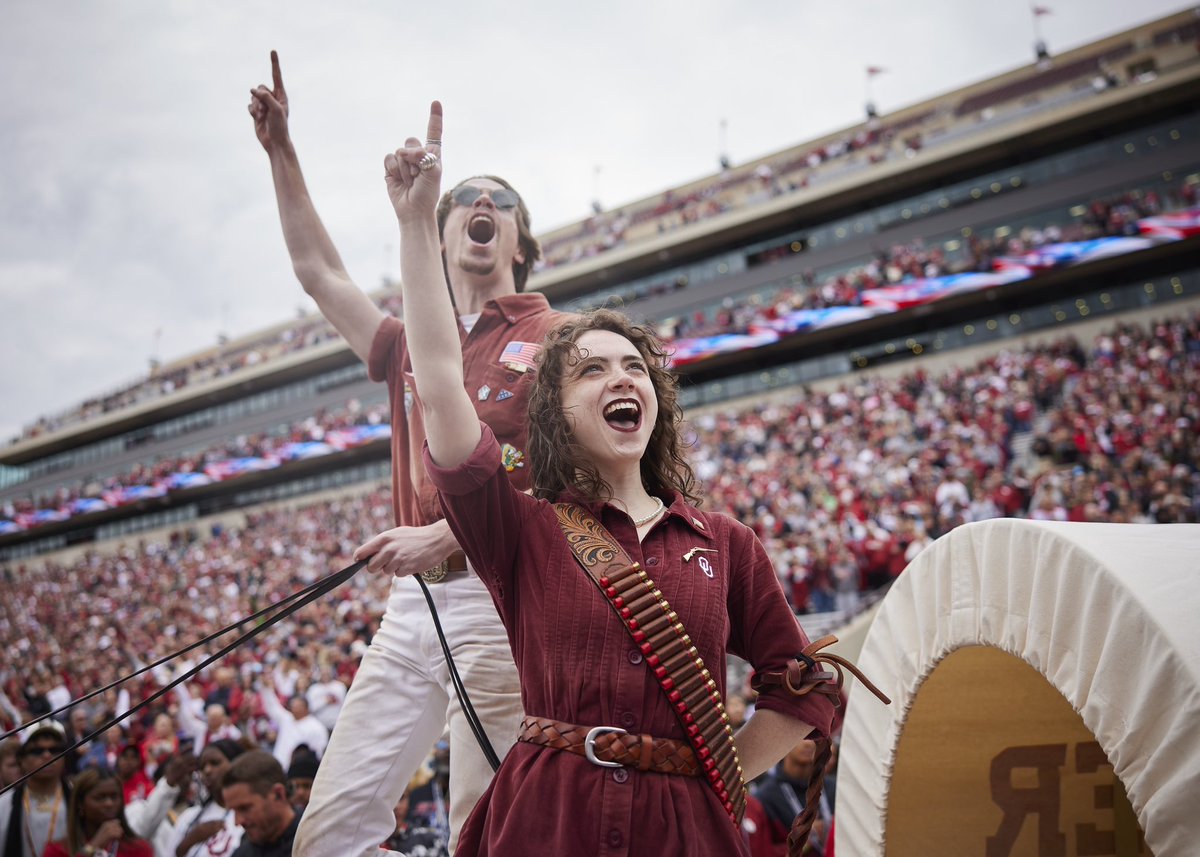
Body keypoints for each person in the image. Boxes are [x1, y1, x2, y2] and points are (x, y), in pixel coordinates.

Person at [384, 105, 837, 856]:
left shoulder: (728, 543)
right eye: (590, 368)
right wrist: (412, 227)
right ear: (556, 411)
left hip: (684, 832)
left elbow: (804, 688)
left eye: (635, 367)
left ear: (656, 400)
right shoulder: (518, 526)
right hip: (544, 820)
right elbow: (438, 379)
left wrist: (712, 774)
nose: (620, 377)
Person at [248, 51, 566, 856]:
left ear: (520, 243)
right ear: (441, 225)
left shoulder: (555, 336)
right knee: (324, 835)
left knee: (482, 831)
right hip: (410, 611)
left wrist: (449, 536)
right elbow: (318, 272)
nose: (482, 205)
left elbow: (573, 476)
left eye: (501, 202)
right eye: (467, 199)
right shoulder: (403, 345)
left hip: (499, 600)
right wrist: (282, 149)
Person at [43, 768, 153, 857]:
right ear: (80, 803)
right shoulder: (58, 850)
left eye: (114, 797)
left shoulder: (139, 848)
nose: (109, 803)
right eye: (100, 798)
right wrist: (93, 847)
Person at [162, 740, 244, 857]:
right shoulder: (189, 817)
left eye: (215, 763)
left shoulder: (252, 813)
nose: (207, 770)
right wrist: (189, 842)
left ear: (235, 764)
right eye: (202, 767)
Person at [0, 721, 71, 857]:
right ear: (22, 760)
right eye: (37, 751)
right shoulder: (3, 805)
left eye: (55, 750)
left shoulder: (80, 801)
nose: (47, 756)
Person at [220, 752, 297, 857]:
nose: (237, 822)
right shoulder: (242, 854)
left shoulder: (316, 841)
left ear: (278, 794)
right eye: (233, 811)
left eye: (244, 808)